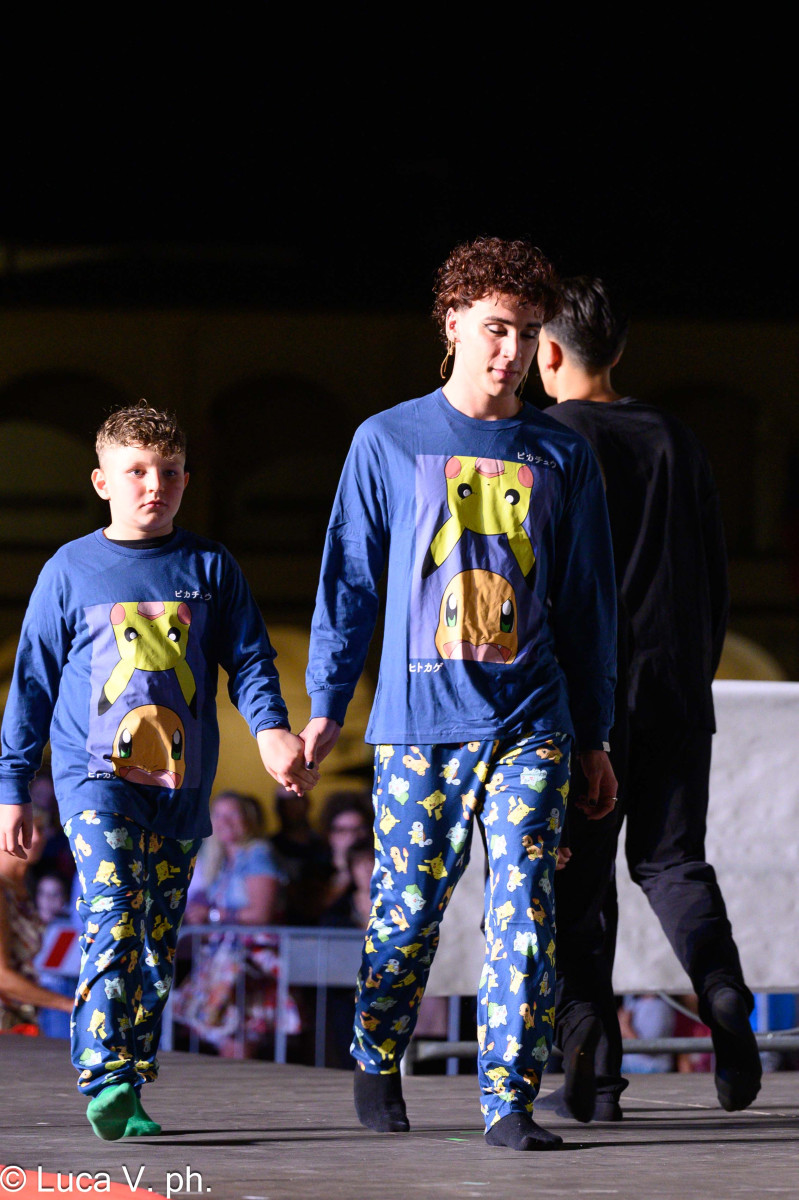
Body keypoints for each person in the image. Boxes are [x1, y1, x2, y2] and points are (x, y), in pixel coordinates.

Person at [302, 237, 618, 1151]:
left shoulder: (561, 454)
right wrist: (324, 708)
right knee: (408, 912)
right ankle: (376, 1050)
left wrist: (592, 735)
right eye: (493, 328)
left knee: (525, 908)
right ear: (451, 324)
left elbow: (588, 605)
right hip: (419, 725)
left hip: (531, 720)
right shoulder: (388, 440)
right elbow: (348, 586)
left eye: (526, 332)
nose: (510, 351)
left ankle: (507, 1100)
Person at [0, 400, 316, 1140]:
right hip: (94, 780)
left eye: (169, 472)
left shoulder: (210, 566)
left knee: (155, 942)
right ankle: (105, 1076)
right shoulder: (70, 569)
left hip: (180, 786)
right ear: (101, 481)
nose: (154, 485)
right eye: (136, 471)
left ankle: (133, 1077)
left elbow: (250, 662)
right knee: (114, 916)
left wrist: (271, 730)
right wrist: (12, 790)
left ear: (185, 480)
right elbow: (32, 685)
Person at [536, 277, 761, 1121]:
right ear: (619, 350)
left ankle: (592, 1074)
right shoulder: (675, 437)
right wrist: (693, 671)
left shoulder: (546, 440)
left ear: (545, 351)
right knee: (672, 862)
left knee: (575, 884)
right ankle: (721, 988)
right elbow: (713, 576)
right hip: (673, 684)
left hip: (584, 700)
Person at [175, 790, 295, 1058]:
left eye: (233, 814)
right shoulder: (221, 860)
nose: (224, 822)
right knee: (224, 1036)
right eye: (218, 815)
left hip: (250, 965)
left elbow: (260, 913)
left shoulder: (258, 854)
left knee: (239, 1040)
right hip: (225, 962)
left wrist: (212, 915)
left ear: (248, 818)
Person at [0, 804, 74, 1034]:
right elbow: (1, 976)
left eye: (41, 829)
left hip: (19, 1020)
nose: (37, 837)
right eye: (26, 829)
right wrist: (68, 1004)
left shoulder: (25, 886)